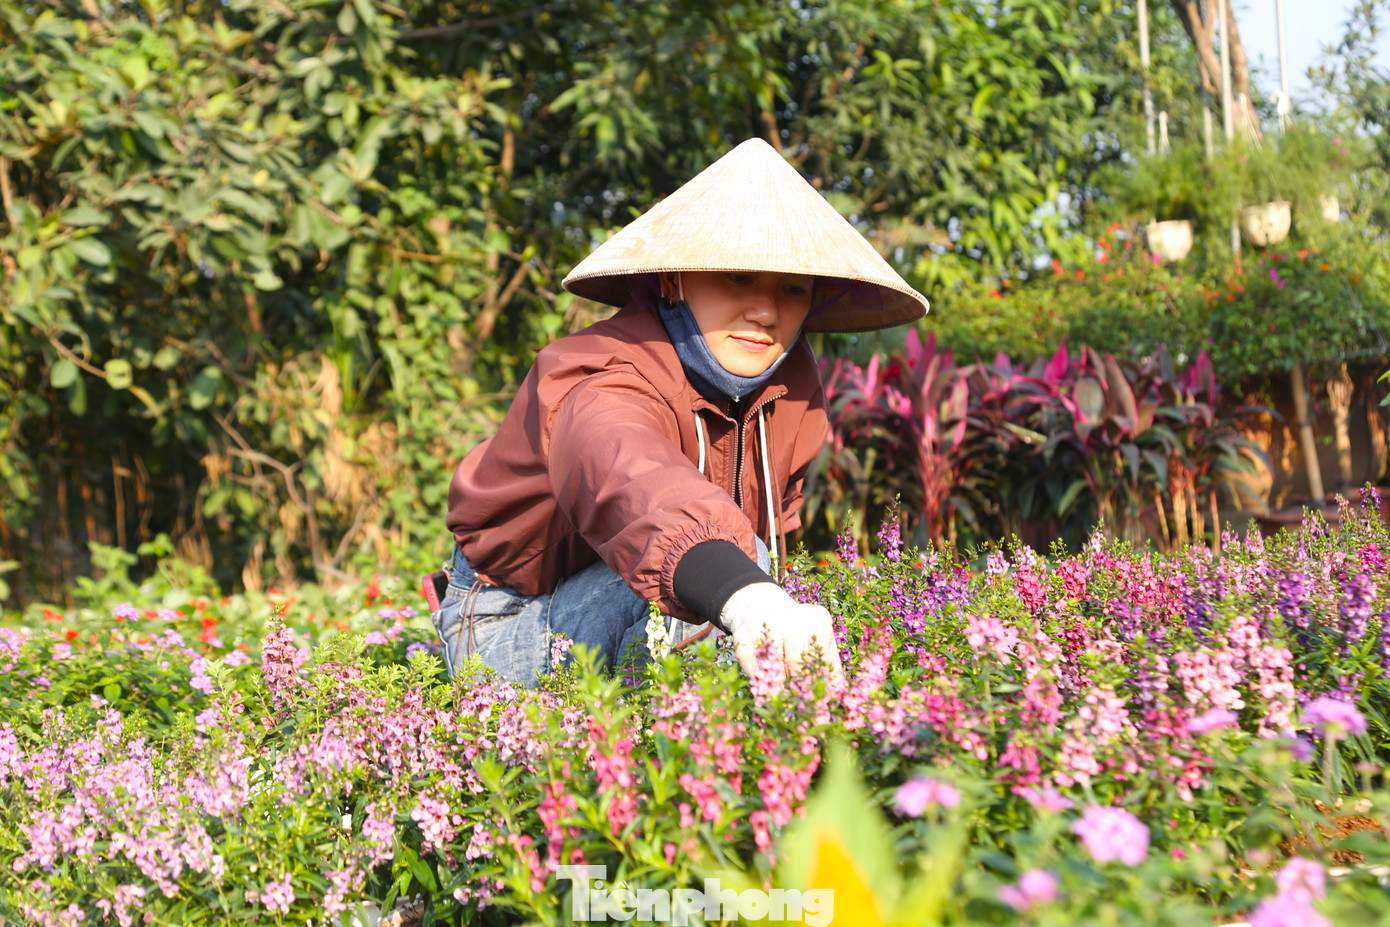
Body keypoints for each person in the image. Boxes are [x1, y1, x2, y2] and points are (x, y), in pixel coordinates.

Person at [433, 138, 928, 688]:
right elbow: (634, 482)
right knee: (727, 581)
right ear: (674, 279)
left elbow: (774, 530)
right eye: (738, 276)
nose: (766, 310)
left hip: (647, 585)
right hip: (515, 617)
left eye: (792, 288)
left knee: (751, 581)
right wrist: (746, 597)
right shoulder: (602, 380)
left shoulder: (792, 390)